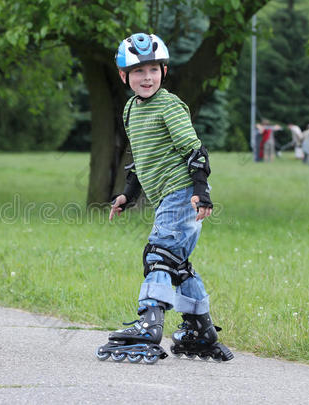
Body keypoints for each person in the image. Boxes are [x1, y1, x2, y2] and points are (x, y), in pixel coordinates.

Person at [96, 33, 233, 364]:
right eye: (138, 70)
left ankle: (149, 323)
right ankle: (200, 329)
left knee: (158, 255)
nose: (147, 77)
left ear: (164, 72)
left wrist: (201, 192)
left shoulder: (169, 105)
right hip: (169, 195)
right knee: (177, 264)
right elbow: (142, 159)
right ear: (123, 75)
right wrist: (127, 195)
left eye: (153, 70)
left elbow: (194, 151)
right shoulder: (131, 109)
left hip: (182, 192)